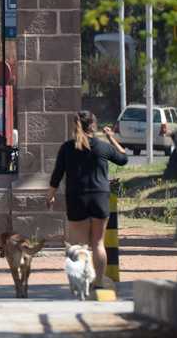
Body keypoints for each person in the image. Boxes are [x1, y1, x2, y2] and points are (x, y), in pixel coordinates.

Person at [46, 110, 128, 289]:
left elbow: (57, 174)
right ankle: (98, 282)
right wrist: (111, 138)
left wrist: (50, 194)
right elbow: (123, 159)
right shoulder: (102, 147)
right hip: (100, 197)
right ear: (94, 126)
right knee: (99, 243)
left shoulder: (67, 147)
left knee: (80, 246)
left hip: (77, 198)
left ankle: (83, 282)